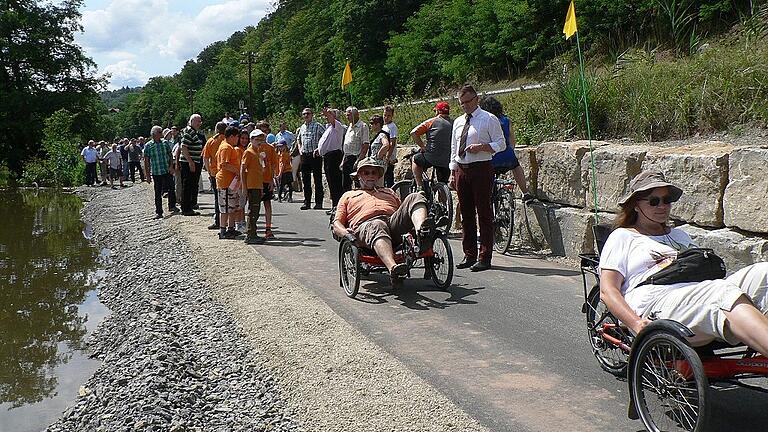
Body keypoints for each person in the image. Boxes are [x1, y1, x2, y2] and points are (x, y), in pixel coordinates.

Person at [599, 170, 768, 355]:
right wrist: (636, 323)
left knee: (764, 272)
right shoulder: (623, 236)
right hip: (656, 299)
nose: (662, 206)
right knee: (721, 293)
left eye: (667, 200)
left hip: (699, 290)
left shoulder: (680, 234)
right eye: (654, 201)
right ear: (636, 206)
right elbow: (608, 291)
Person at [332, 157, 434, 286]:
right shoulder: (348, 196)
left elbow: (404, 211)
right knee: (377, 225)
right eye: (366, 172)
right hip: (366, 226)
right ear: (358, 176)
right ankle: (393, 269)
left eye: (374, 173)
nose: (370, 176)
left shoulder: (389, 192)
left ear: (378, 176)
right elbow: (336, 224)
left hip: (392, 224)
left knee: (415, 196)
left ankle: (422, 232)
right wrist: (346, 233)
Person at [449, 84, 506, 272]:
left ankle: (485, 255)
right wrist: (452, 171)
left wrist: (483, 147)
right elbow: (453, 148)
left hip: (481, 168)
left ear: (476, 99)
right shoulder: (458, 122)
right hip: (462, 169)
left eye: (467, 102)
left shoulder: (488, 119)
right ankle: (469, 253)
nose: (464, 105)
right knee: (466, 214)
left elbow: (501, 143)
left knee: (483, 212)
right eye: (461, 103)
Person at [479, 96, 534, 202]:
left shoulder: (486, 121)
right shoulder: (506, 120)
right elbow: (512, 142)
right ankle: (525, 192)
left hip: (492, 159)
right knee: (516, 166)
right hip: (507, 156)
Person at [409, 101, 452, 187]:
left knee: (415, 159)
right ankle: (444, 199)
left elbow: (413, 133)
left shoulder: (432, 121)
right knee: (443, 184)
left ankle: (419, 186)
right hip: (447, 160)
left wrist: (422, 146)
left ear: (438, 111)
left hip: (431, 157)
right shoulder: (454, 123)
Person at [143, 125, 178, 219]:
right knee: (157, 192)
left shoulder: (165, 143)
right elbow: (146, 161)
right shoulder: (148, 146)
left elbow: (170, 155)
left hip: (166, 170)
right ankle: (159, 212)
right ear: (154, 134)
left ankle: (172, 206)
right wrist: (147, 175)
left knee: (171, 188)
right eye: (160, 132)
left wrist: (171, 166)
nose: (161, 134)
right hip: (156, 172)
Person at [214, 126, 242, 239]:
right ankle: (223, 231)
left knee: (232, 207)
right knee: (225, 208)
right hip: (225, 182)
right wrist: (238, 171)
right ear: (231, 136)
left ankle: (231, 229)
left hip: (231, 182)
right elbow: (224, 165)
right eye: (237, 137)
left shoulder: (228, 146)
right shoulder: (226, 147)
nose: (238, 140)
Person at [297, 108, 325, 210]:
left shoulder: (318, 126)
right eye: (304, 114)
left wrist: (320, 148)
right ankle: (307, 202)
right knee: (306, 179)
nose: (306, 116)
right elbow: (298, 139)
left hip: (315, 155)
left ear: (312, 115)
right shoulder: (302, 127)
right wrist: (300, 149)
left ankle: (319, 202)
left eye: (308, 114)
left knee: (317, 179)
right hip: (304, 155)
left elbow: (325, 137)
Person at [241, 129, 266, 244]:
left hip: (257, 185)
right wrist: (244, 187)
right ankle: (250, 234)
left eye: (260, 139)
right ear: (251, 140)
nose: (259, 141)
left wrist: (261, 187)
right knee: (253, 210)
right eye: (256, 139)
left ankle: (253, 233)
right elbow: (242, 169)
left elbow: (259, 171)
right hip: (251, 185)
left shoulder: (257, 152)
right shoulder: (249, 152)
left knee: (255, 210)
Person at [317, 108, 345, 211]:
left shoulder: (337, 126)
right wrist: (319, 149)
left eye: (329, 115)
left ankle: (337, 205)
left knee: (335, 182)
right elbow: (327, 141)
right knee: (331, 182)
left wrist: (328, 113)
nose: (326, 117)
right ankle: (334, 204)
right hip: (328, 156)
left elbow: (332, 119)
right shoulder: (329, 128)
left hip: (334, 156)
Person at [253, 128, 279, 239]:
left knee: (267, 204)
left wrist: (271, 180)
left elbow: (273, 165)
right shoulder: (253, 148)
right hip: (255, 180)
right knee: (255, 205)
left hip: (266, 180)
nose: (261, 137)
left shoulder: (270, 148)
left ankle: (268, 228)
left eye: (264, 133)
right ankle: (252, 228)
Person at [178, 114, 206, 216]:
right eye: (198, 121)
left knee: (191, 185)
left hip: (192, 162)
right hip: (188, 163)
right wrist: (190, 162)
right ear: (192, 121)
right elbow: (184, 147)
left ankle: (188, 207)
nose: (200, 123)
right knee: (188, 185)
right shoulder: (189, 131)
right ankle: (186, 209)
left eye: (200, 121)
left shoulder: (193, 131)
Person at [202, 122, 227, 229]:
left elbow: (205, 158)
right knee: (230, 198)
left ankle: (218, 221)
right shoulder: (227, 141)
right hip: (227, 172)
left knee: (218, 198)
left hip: (214, 172)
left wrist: (208, 171)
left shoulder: (211, 141)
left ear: (216, 129)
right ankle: (230, 222)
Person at [341, 106, 369, 193]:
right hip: (347, 157)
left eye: (349, 115)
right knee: (345, 183)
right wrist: (343, 160)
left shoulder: (363, 126)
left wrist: (358, 160)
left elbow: (365, 145)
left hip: (356, 157)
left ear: (356, 115)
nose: (347, 117)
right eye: (346, 115)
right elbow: (346, 145)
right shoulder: (349, 127)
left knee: (358, 183)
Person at [382, 105, 399, 187]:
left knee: (389, 179)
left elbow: (392, 143)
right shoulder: (384, 126)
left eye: (388, 116)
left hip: (389, 158)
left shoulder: (392, 127)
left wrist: (388, 157)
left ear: (392, 116)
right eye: (385, 115)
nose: (386, 117)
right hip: (383, 157)